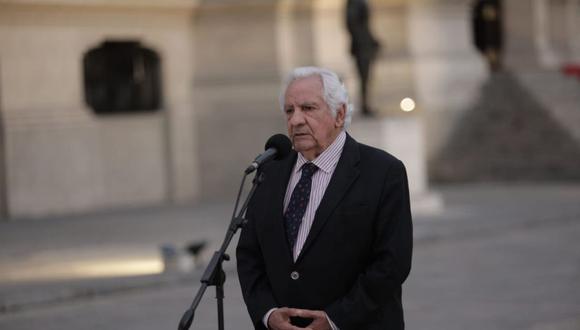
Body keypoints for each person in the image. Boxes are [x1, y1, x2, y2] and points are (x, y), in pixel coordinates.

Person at [236, 67, 413, 330]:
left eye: (308, 108)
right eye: (289, 110)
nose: (295, 120)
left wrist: (334, 320)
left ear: (339, 114)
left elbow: (391, 264)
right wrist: (269, 314)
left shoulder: (383, 171)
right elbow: (249, 254)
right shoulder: (270, 171)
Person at [346, 0, 381, 116]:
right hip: (362, 47)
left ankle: (365, 105)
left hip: (365, 45)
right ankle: (364, 105)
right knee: (364, 78)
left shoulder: (357, 3)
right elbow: (353, 25)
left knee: (366, 78)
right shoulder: (355, 3)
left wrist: (372, 40)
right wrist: (365, 42)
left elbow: (364, 26)